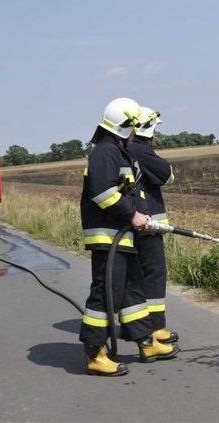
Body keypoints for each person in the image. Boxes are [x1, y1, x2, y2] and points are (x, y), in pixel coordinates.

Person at [79, 97, 179, 376]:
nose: (137, 133)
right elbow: (102, 193)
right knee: (106, 295)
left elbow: (130, 192)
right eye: (134, 128)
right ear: (124, 127)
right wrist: (132, 215)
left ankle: (145, 342)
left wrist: (141, 218)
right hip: (108, 237)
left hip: (123, 237)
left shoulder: (118, 152)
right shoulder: (105, 153)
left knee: (133, 290)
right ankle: (94, 353)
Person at [127, 107, 179, 345]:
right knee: (153, 275)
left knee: (135, 277)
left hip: (132, 223)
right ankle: (156, 328)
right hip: (148, 227)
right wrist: (152, 153)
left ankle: (138, 328)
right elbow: (167, 175)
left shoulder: (123, 149)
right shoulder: (141, 150)